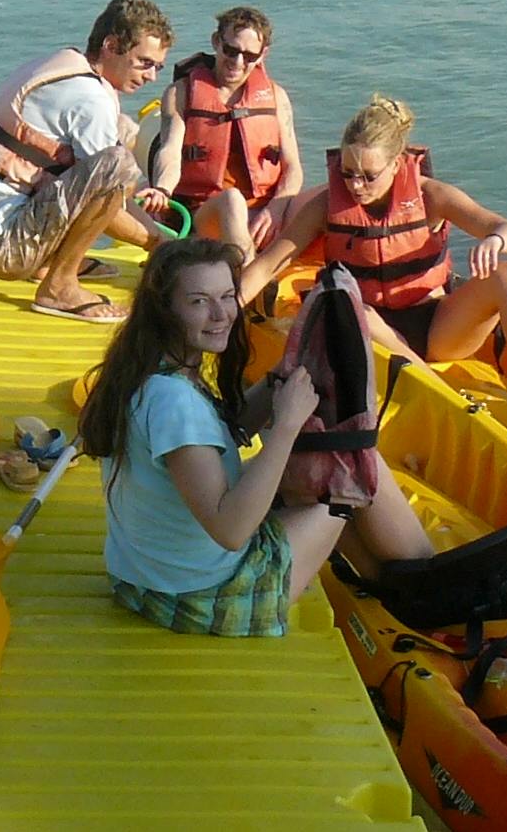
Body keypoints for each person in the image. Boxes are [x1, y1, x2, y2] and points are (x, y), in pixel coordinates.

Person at [78, 237, 432, 637]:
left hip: (148, 580)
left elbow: (223, 434)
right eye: (199, 301)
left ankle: (401, 582)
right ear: (165, 309)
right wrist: (285, 427)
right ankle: (427, 589)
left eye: (227, 296)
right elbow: (230, 531)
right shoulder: (174, 402)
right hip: (204, 598)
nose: (220, 315)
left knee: (325, 471)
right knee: (346, 479)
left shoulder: (150, 369)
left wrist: (280, 376)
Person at [241, 93, 507, 401]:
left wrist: (495, 240)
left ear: (397, 164)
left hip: (437, 327)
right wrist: (230, 305)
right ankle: (440, 392)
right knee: (351, 307)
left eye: (368, 176)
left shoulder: (431, 197)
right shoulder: (326, 206)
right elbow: (269, 264)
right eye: (348, 173)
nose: (356, 186)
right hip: (368, 330)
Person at [0, 0, 176, 325]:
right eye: (144, 63)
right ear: (111, 45)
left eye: (158, 67)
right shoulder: (90, 99)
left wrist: (155, 237)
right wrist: (157, 243)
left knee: (117, 141)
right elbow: (107, 198)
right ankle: (59, 287)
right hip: (7, 250)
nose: (152, 76)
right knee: (117, 163)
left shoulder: (65, 64)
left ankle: (49, 262)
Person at [146, 6, 301, 256]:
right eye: (231, 50)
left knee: (324, 199)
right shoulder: (180, 93)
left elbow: (292, 167)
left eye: (249, 56)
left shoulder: (277, 97)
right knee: (232, 200)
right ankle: (247, 273)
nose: (238, 62)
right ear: (216, 42)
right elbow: (170, 149)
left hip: (263, 211)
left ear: (263, 54)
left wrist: (276, 208)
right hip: (206, 212)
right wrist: (163, 189)